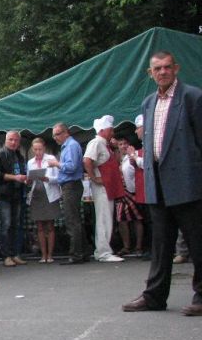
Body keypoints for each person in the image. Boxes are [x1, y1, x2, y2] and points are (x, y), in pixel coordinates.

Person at [122, 50, 202, 316]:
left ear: (176, 68)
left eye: (167, 67)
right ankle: (155, 296)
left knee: (197, 242)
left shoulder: (192, 96)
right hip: (158, 182)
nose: (163, 72)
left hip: (188, 182)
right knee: (161, 245)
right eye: (157, 69)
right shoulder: (148, 103)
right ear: (151, 73)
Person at [83, 115, 125, 263]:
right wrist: (94, 177)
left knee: (107, 217)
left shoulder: (105, 145)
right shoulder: (96, 143)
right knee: (104, 218)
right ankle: (103, 251)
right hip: (102, 187)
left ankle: (104, 249)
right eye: (110, 130)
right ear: (102, 130)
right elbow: (87, 160)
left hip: (108, 185)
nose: (112, 133)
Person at [50, 123, 87, 265]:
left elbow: (71, 167)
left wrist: (56, 164)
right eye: (54, 135)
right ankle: (82, 251)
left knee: (72, 221)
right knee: (75, 219)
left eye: (58, 134)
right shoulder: (70, 145)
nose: (55, 138)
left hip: (71, 185)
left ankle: (76, 254)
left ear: (66, 133)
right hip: (71, 185)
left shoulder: (71, 146)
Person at [0, 131, 28, 267]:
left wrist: (26, 177)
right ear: (6, 140)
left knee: (17, 225)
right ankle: (6, 255)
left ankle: (15, 254)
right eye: (11, 140)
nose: (13, 142)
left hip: (18, 193)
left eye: (16, 140)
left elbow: (23, 172)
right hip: (4, 195)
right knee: (6, 225)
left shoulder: (20, 156)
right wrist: (15, 177)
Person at [27, 137, 61, 263]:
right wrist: (29, 180)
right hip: (37, 194)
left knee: (50, 225)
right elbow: (29, 179)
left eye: (40, 149)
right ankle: (43, 255)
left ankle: (50, 255)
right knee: (40, 226)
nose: (38, 152)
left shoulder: (51, 159)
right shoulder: (30, 162)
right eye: (35, 149)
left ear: (44, 148)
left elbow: (59, 178)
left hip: (50, 193)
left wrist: (48, 179)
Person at [116, 138, 145, 256]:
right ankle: (126, 246)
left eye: (125, 144)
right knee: (121, 219)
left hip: (133, 192)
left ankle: (138, 246)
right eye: (120, 144)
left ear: (129, 145)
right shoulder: (119, 158)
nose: (123, 146)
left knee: (137, 219)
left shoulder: (134, 155)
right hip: (122, 192)